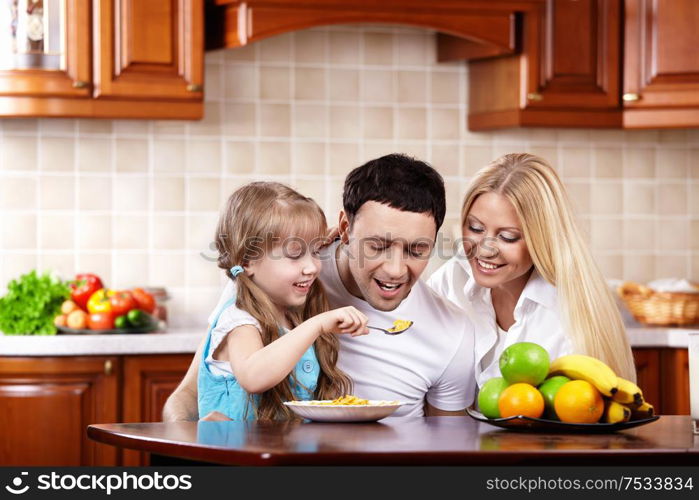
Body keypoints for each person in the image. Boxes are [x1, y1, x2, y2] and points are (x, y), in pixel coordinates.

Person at [163, 154, 476, 421]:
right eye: (377, 246)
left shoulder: (452, 332)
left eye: (417, 250)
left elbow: (447, 450)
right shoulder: (273, 281)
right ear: (344, 229)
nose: (395, 270)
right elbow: (191, 395)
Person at [427, 153, 636, 388]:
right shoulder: (450, 281)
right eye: (475, 227)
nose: (485, 250)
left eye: (508, 237)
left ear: (542, 239)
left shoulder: (569, 315)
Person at [198, 181, 369, 420]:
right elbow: (253, 377)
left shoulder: (292, 315)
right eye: (295, 254)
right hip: (237, 454)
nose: (311, 267)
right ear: (247, 261)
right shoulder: (239, 319)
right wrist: (317, 325)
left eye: (316, 251)